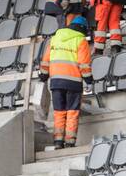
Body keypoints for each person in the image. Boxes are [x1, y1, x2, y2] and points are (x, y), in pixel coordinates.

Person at [38, 16, 93, 148]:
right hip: (73, 82)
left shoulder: (54, 39)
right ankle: (69, 141)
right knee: (72, 112)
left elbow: (45, 61)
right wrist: (89, 80)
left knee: (59, 111)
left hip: (56, 82)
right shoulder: (81, 41)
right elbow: (84, 65)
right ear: (83, 29)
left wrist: (44, 76)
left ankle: (58, 141)